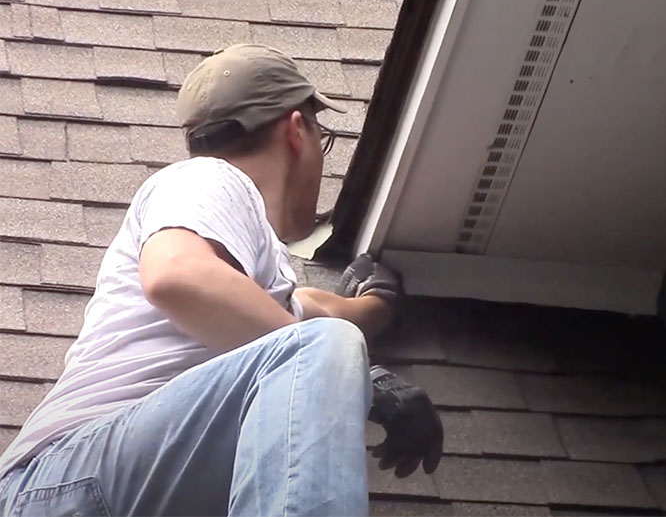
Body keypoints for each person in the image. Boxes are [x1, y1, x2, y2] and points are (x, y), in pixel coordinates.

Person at [0, 44, 443, 517]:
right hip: (63, 480)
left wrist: (379, 302)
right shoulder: (210, 180)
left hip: (113, 488)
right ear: (297, 130)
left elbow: (317, 311)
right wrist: (363, 380)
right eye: (322, 138)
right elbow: (177, 275)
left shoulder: (252, 300)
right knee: (319, 347)